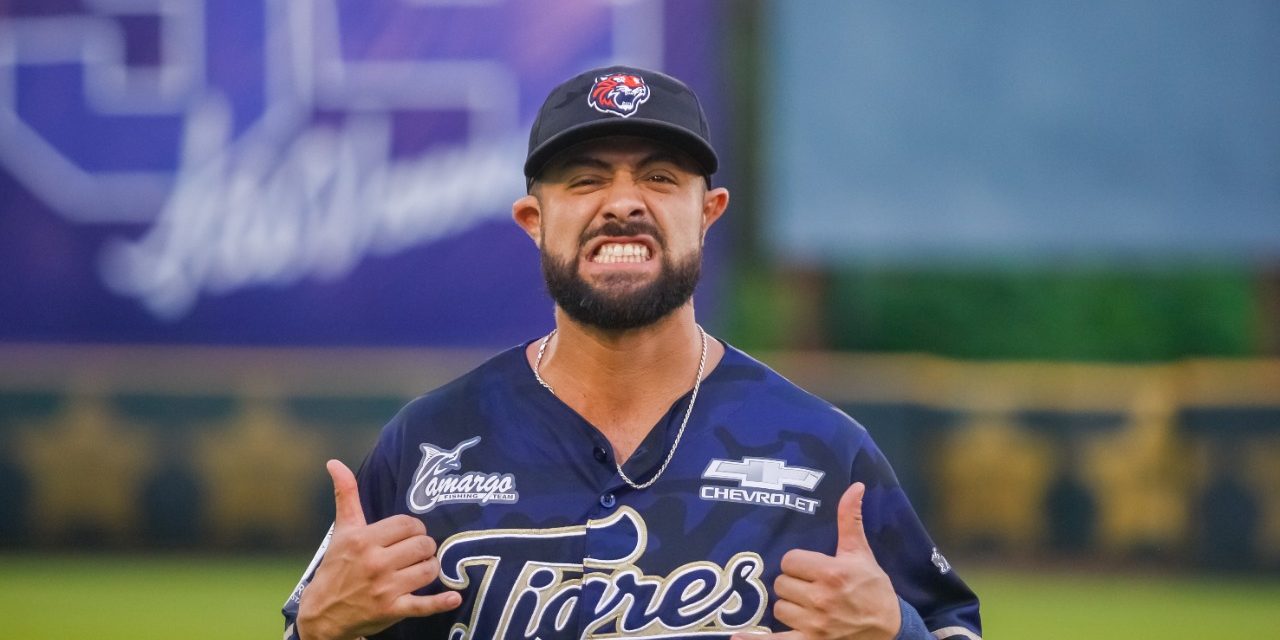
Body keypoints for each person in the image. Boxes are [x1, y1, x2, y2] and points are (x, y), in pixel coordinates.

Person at [282, 66, 982, 640]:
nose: (622, 203)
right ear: (534, 220)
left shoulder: (824, 452)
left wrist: (898, 633)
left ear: (708, 213)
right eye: (585, 180)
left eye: (659, 178)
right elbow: (312, 626)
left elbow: (952, 628)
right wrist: (315, 630)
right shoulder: (429, 443)